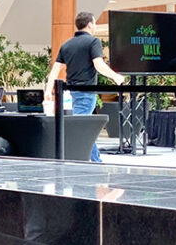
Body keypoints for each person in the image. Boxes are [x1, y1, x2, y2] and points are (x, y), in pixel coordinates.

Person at [44, 11, 125, 162]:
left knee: (83, 127)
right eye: (94, 23)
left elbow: (55, 70)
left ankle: (93, 160)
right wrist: (116, 77)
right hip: (86, 93)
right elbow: (98, 65)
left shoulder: (66, 45)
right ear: (89, 24)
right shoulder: (93, 42)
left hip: (72, 93)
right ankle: (95, 162)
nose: (95, 26)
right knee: (83, 129)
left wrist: (48, 90)